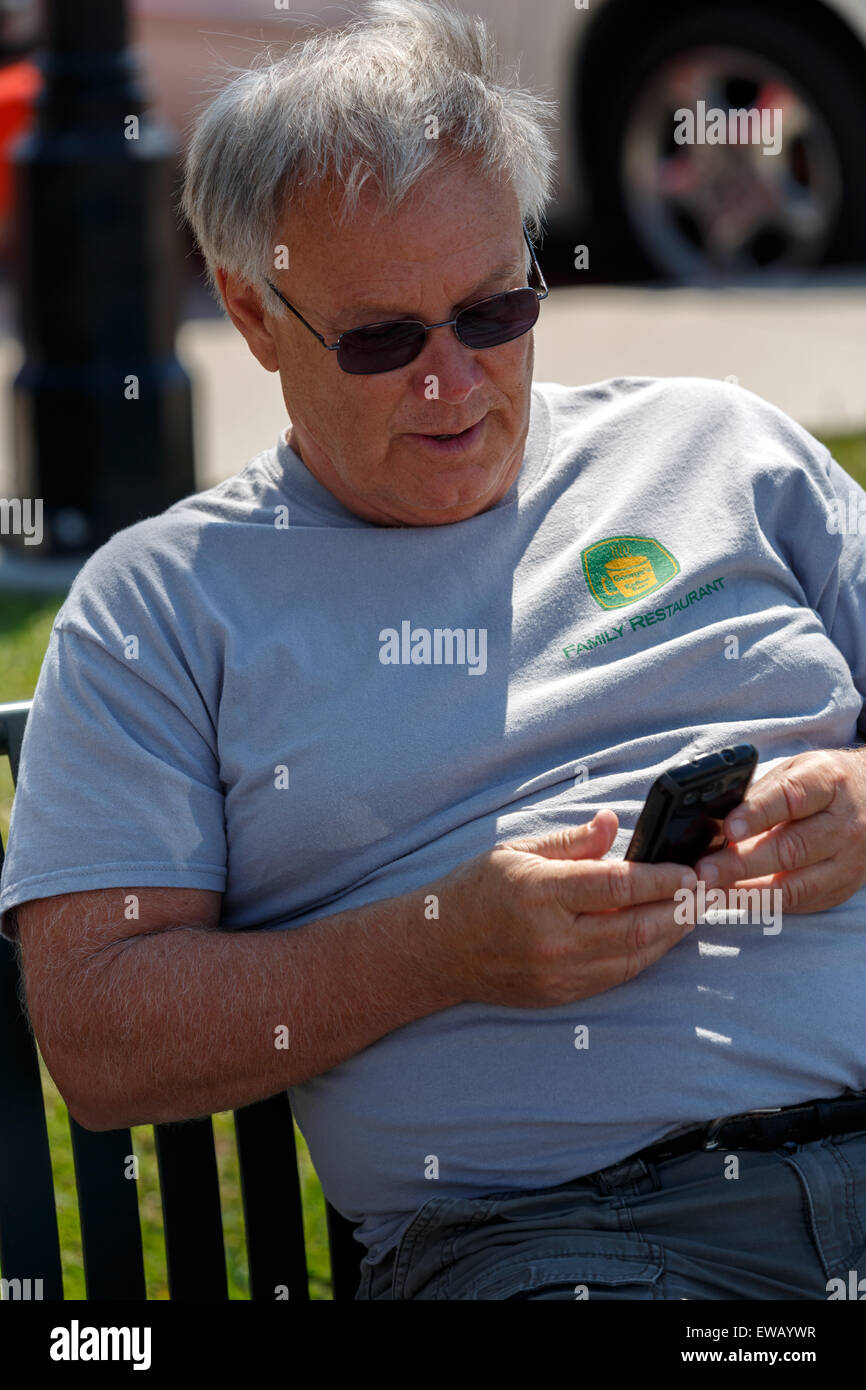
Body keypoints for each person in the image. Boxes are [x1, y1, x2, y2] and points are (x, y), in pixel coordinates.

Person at [2, 0, 866, 1301]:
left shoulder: (723, 449)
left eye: (492, 311)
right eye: (381, 339)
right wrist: (435, 948)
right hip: (566, 1248)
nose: (452, 382)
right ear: (249, 312)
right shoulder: (162, 609)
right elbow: (103, 1037)